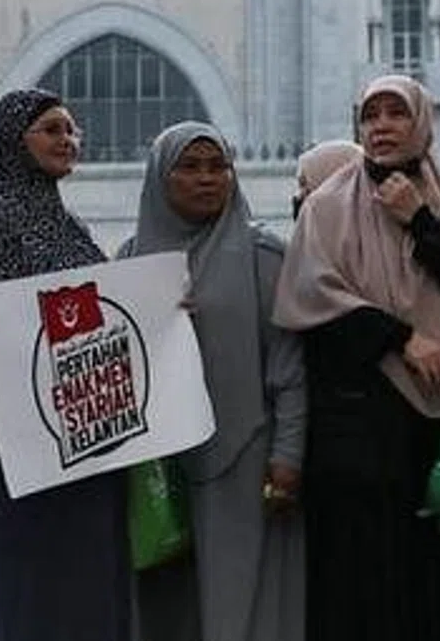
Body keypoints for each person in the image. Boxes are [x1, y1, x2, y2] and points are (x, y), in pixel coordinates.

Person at [272, 75, 440, 641]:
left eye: (395, 114)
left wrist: (420, 221)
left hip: (434, 424)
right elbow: (310, 303)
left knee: (430, 578)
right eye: (370, 116)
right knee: (361, 586)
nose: (381, 126)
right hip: (357, 427)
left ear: (420, 123)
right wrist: (402, 338)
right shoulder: (327, 209)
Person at [0, 91, 130, 641]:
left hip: (77, 435)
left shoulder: (67, 225)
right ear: (13, 139)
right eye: (51, 129)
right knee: (13, 590)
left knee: (77, 587)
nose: (67, 139)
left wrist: (160, 314)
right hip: (7, 445)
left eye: (71, 130)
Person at [125, 123, 305, 641]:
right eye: (190, 167)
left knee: (245, 603)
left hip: (247, 463)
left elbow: (289, 369)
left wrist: (287, 458)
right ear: (161, 178)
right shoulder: (132, 262)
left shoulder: (262, 255)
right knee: (168, 607)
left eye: (218, 166)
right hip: (160, 471)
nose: (207, 179)